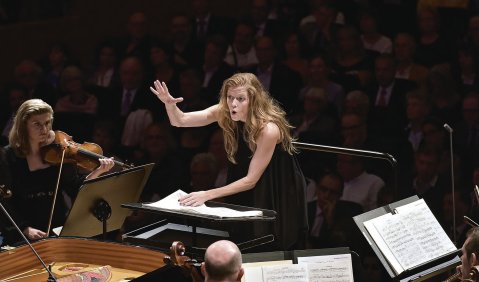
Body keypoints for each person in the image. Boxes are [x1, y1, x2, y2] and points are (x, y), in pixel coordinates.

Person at [150, 73, 308, 250]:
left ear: (253, 100)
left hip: (276, 187)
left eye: (240, 99)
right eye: (230, 97)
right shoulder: (225, 112)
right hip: (245, 179)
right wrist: (169, 105)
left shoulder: (268, 129)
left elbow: (251, 180)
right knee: (241, 236)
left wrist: (206, 194)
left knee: (268, 242)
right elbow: (180, 121)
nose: (233, 104)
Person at [4, 99, 114, 242]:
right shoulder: (8, 157)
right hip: (22, 233)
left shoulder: (59, 152)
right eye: (37, 124)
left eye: (47, 123)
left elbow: (74, 187)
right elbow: (4, 202)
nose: (44, 129)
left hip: (56, 230)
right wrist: (24, 228)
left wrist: (97, 172)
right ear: (23, 125)